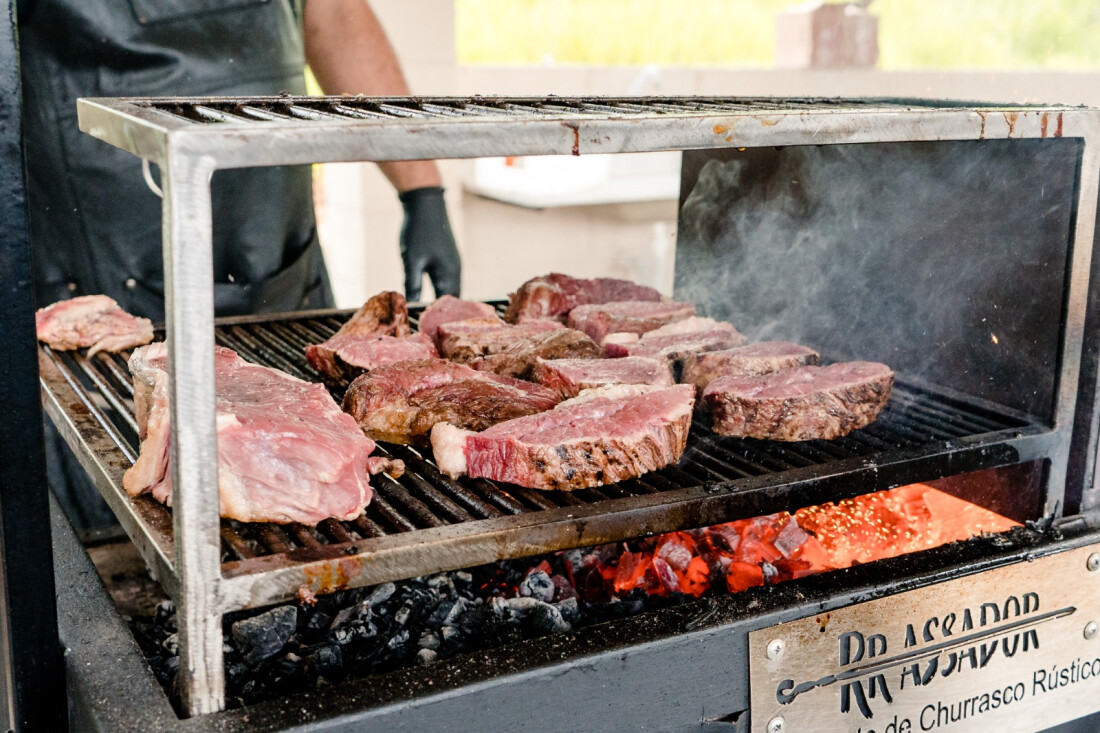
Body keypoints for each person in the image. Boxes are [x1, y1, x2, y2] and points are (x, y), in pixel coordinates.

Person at [18, 0, 462, 529]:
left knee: (316, 469)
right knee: (135, 515)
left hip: (271, 233)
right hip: (106, 243)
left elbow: (336, 13)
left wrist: (421, 189)